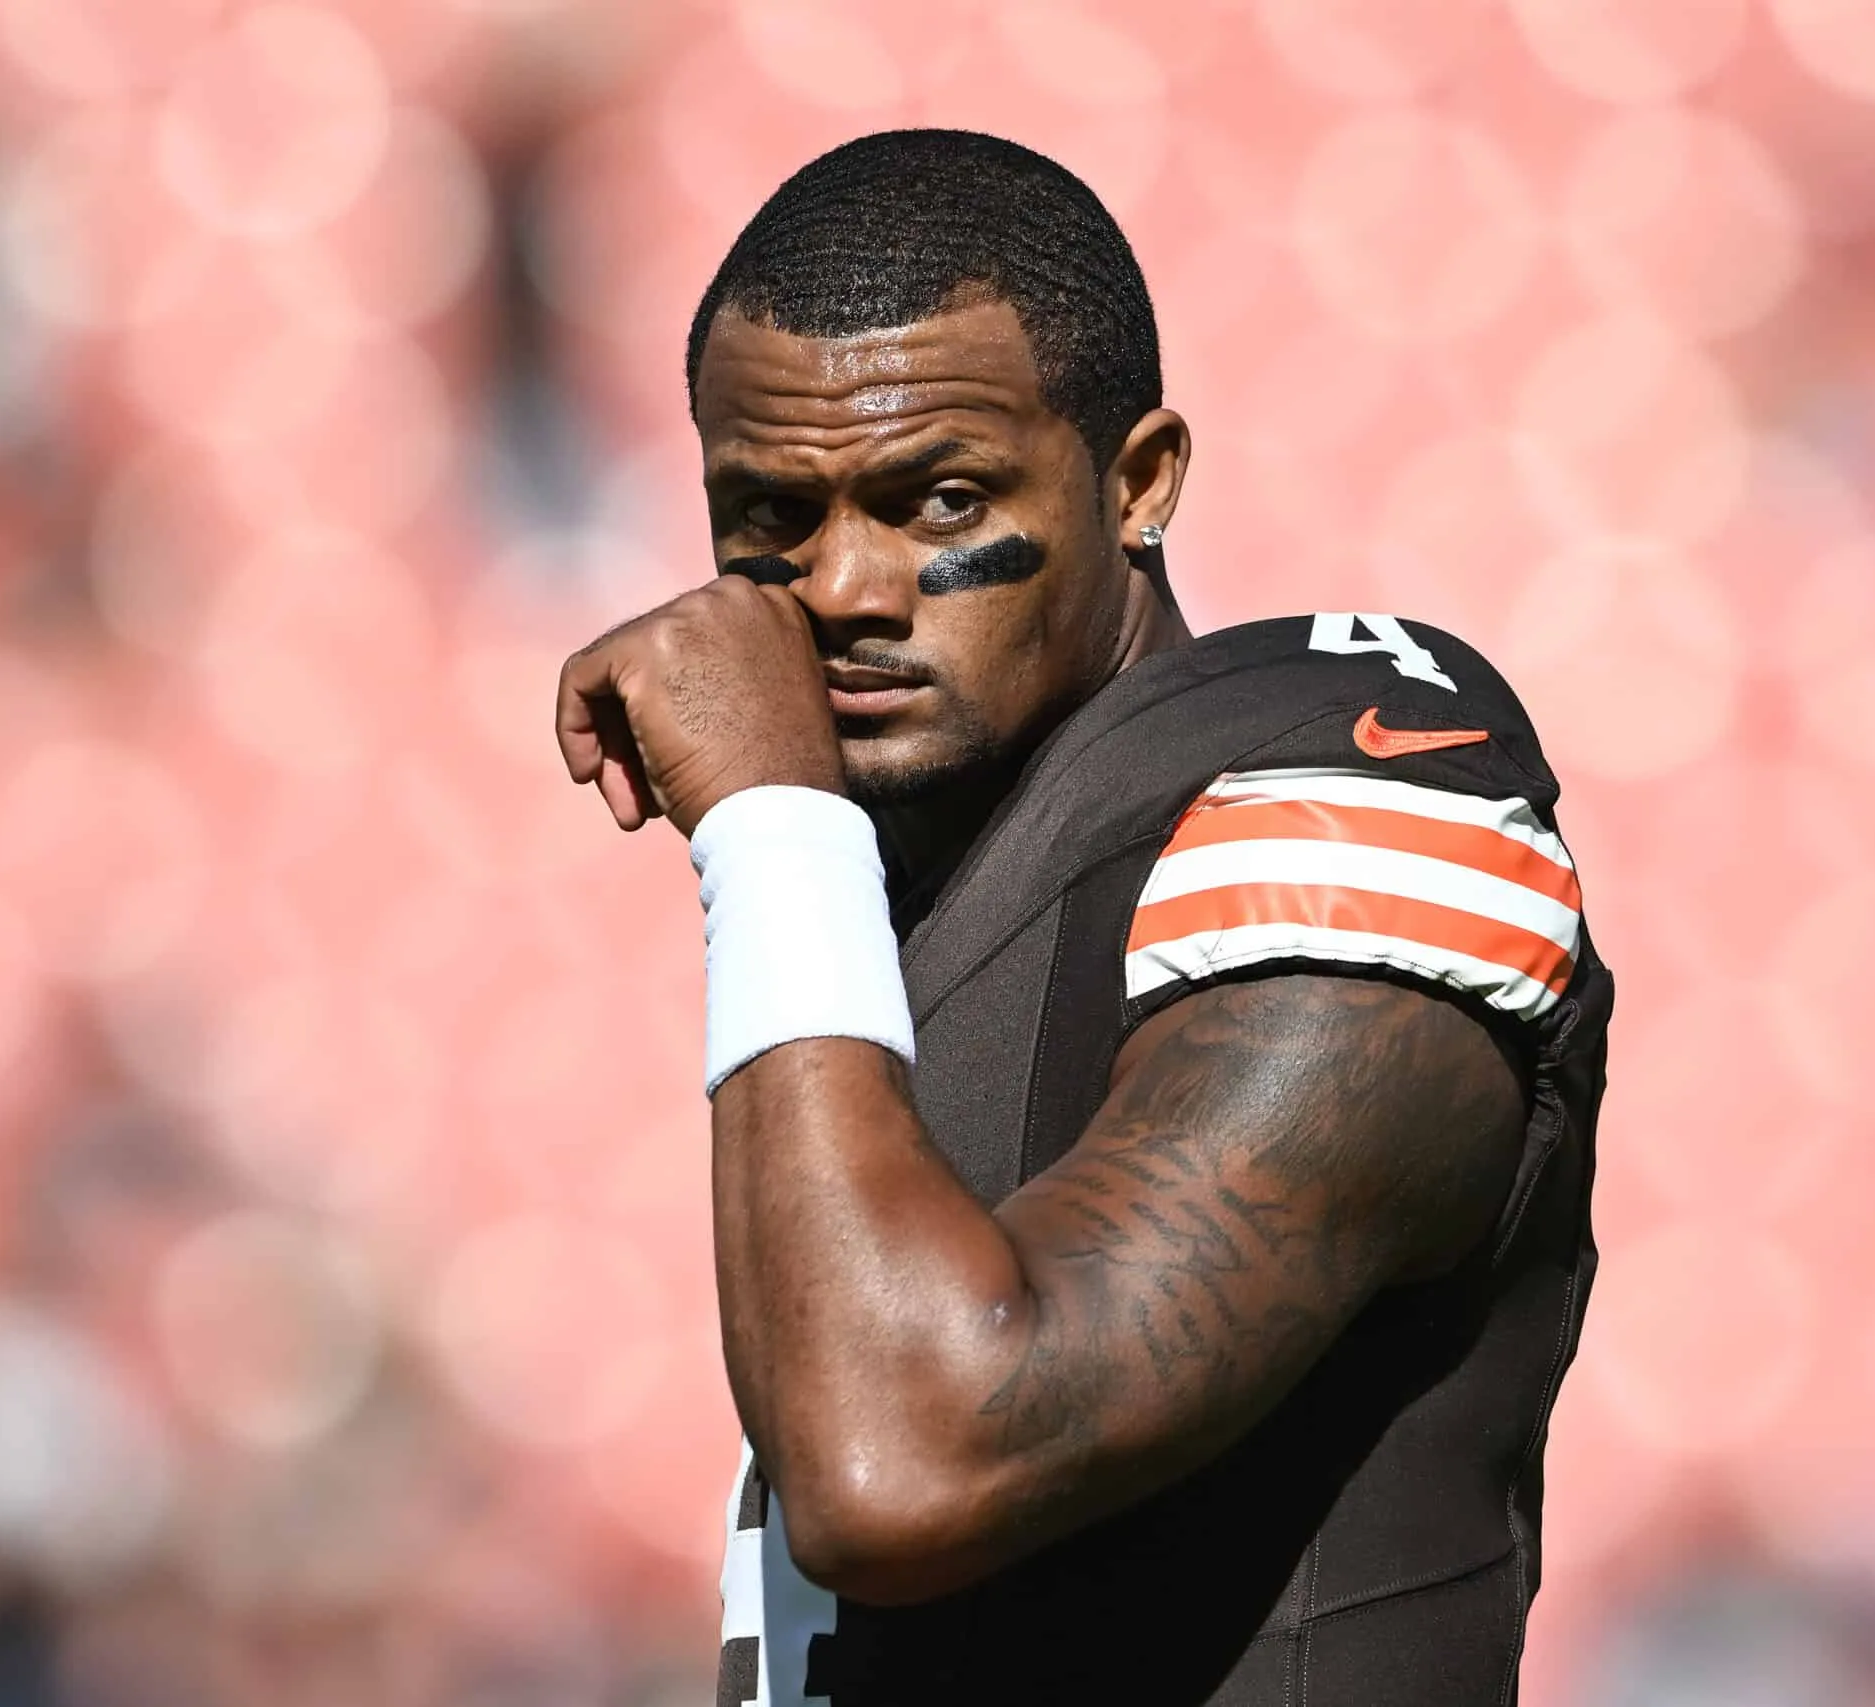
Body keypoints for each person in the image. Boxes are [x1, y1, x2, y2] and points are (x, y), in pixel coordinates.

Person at [554, 129, 1611, 1707]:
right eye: (770, 514)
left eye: (939, 499)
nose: (842, 587)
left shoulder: (1348, 808)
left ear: (1137, 480)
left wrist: (773, 833)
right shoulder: (927, 888)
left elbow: (901, 1457)